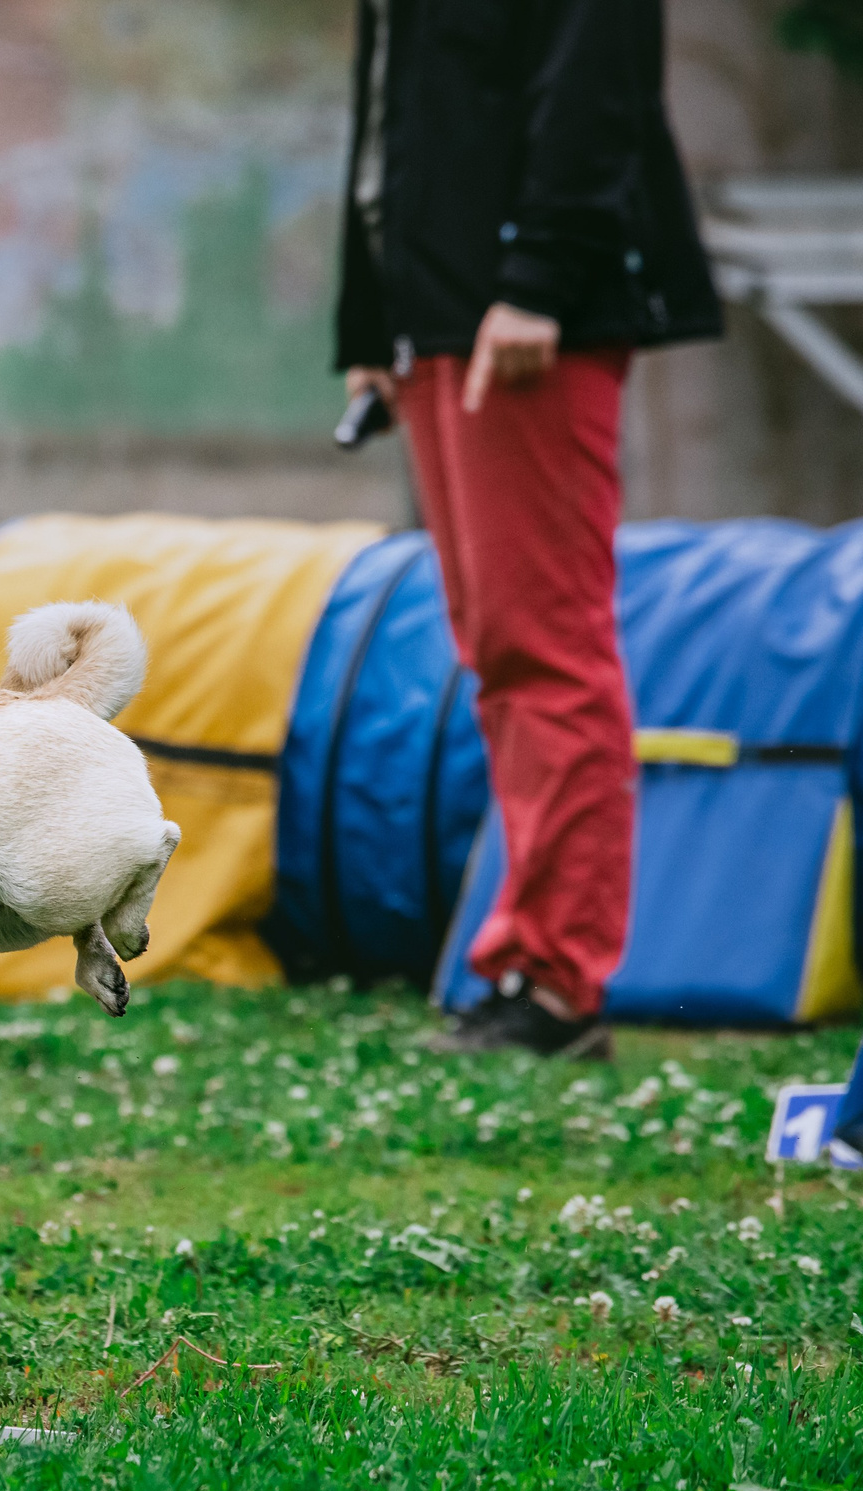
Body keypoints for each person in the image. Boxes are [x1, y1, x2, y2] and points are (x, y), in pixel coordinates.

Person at [335, 0, 720, 1060]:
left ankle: (558, 983)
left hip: (524, 317)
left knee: (546, 650)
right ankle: (524, 966)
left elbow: (601, 80)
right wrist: (368, 318)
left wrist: (542, 277)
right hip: (434, 316)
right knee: (495, 651)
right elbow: (389, 117)